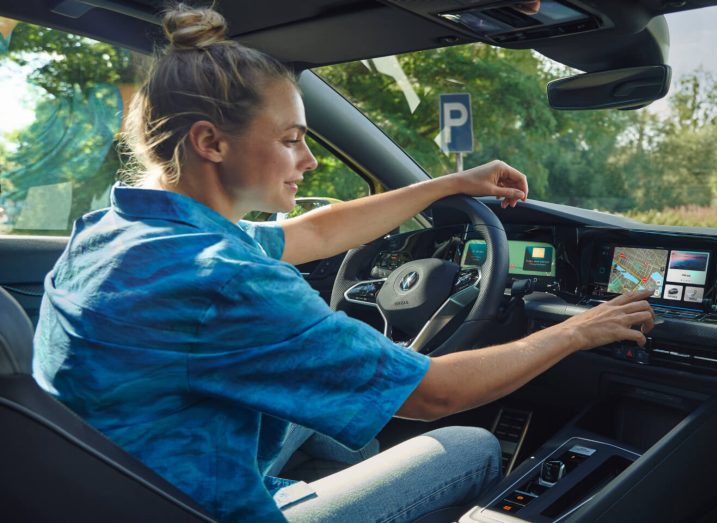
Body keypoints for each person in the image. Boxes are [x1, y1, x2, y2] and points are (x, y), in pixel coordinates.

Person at [32, 4, 655, 522]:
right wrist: (577, 330)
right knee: (472, 445)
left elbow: (311, 233)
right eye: (291, 139)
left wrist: (445, 185)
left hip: (123, 484)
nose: (309, 161)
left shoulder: (119, 231)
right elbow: (436, 394)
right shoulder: (227, 281)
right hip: (204, 507)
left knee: (333, 427)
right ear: (209, 142)